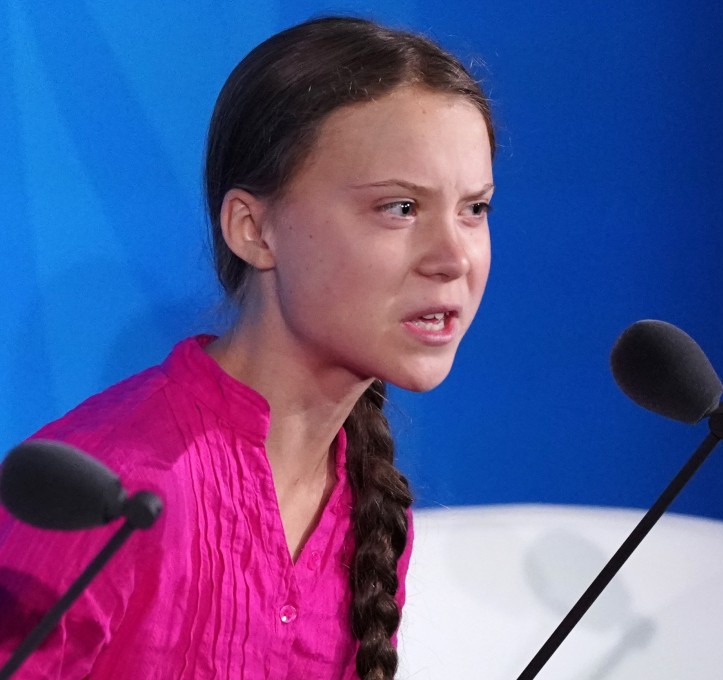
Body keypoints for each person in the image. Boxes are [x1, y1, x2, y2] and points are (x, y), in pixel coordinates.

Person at [0, 14, 495, 680]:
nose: (455, 257)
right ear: (254, 230)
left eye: (475, 209)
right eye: (399, 208)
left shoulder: (370, 512)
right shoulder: (109, 498)